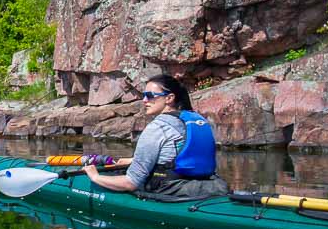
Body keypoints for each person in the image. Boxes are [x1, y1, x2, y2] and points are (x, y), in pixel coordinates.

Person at [82, 74, 228, 198]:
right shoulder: (197, 120)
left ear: (169, 98)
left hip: (169, 188)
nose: (144, 100)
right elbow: (176, 152)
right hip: (208, 184)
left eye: (150, 96)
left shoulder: (158, 128)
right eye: (144, 95)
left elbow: (131, 183)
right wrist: (135, 160)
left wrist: (95, 177)